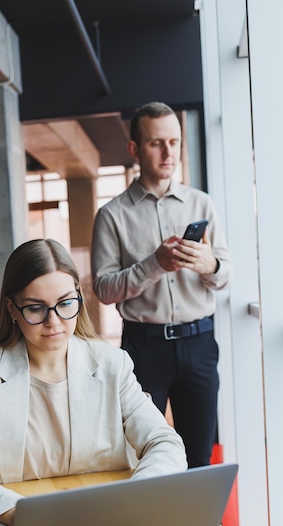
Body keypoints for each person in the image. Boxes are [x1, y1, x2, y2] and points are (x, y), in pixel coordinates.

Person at [0, 238, 187, 526]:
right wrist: (23, 516)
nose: (53, 322)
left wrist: (130, 502)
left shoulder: (111, 364)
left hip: (109, 525)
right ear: (12, 309)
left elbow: (165, 443)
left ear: (79, 297)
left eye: (65, 303)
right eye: (35, 308)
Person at [91, 102, 233, 468]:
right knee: (141, 457)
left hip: (199, 344)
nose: (169, 152)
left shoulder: (202, 204)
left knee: (200, 457)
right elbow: (104, 290)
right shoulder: (111, 215)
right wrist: (155, 264)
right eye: (157, 143)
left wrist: (209, 264)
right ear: (135, 149)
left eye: (175, 141)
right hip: (144, 348)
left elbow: (226, 275)